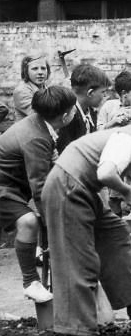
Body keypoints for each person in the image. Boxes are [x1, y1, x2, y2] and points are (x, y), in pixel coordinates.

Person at [41, 93, 131, 336]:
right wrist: (125, 190)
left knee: (115, 233)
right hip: (67, 186)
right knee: (79, 260)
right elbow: (106, 173)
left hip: (84, 190)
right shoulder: (127, 140)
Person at [0, 87, 77, 303]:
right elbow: (40, 187)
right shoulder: (36, 137)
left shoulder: (41, 124)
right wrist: (50, 220)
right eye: (73, 111)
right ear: (64, 116)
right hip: (4, 188)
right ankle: (31, 282)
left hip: (11, 186)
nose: (74, 114)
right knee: (29, 222)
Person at [97, 71, 131, 217]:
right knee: (114, 197)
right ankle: (117, 227)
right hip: (113, 158)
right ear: (124, 94)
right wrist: (114, 122)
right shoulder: (109, 107)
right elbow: (98, 131)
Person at [57, 63, 111, 153]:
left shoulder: (90, 111)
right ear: (90, 93)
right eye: (103, 92)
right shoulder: (68, 117)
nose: (105, 95)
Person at [13, 55, 51, 121]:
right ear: (26, 71)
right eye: (35, 69)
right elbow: (41, 115)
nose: (40, 72)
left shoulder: (45, 88)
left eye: (43, 68)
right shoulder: (21, 91)